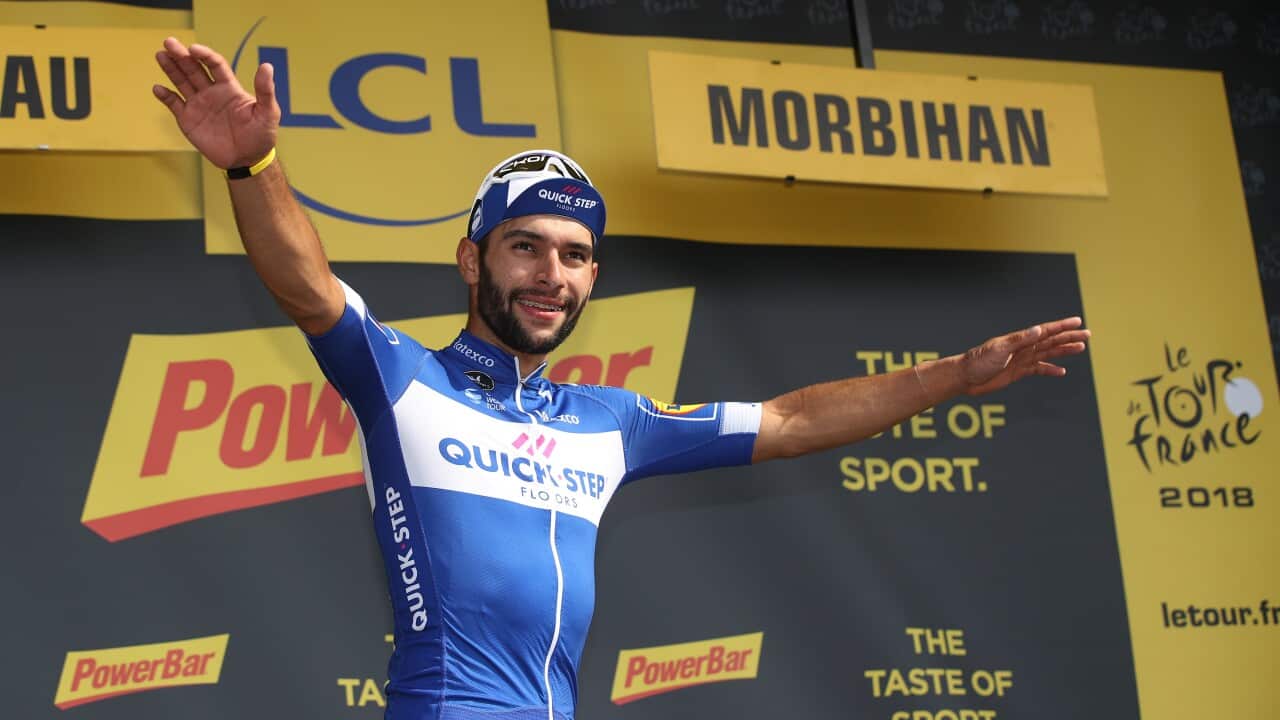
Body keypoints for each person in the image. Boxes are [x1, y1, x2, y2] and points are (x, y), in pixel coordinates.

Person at [152, 37, 1090, 720]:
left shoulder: (611, 421)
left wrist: (959, 373)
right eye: (525, 248)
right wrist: (253, 164)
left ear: (594, 276)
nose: (550, 275)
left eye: (573, 255)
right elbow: (308, 286)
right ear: (471, 262)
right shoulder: (401, 379)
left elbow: (792, 419)